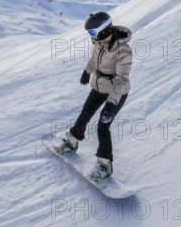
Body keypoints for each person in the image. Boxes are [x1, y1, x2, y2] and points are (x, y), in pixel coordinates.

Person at [55, 11, 133, 182]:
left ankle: (105, 164)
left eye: (92, 32)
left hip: (117, 91)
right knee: (84, 115)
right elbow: (94, 59)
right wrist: (87, 71)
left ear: (104, 30)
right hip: (99, 85)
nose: (90, 37)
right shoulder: (99, 42)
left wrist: (111, 105)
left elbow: (121, 79)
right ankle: (72, 142)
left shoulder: (123, 50)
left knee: (102, 127)